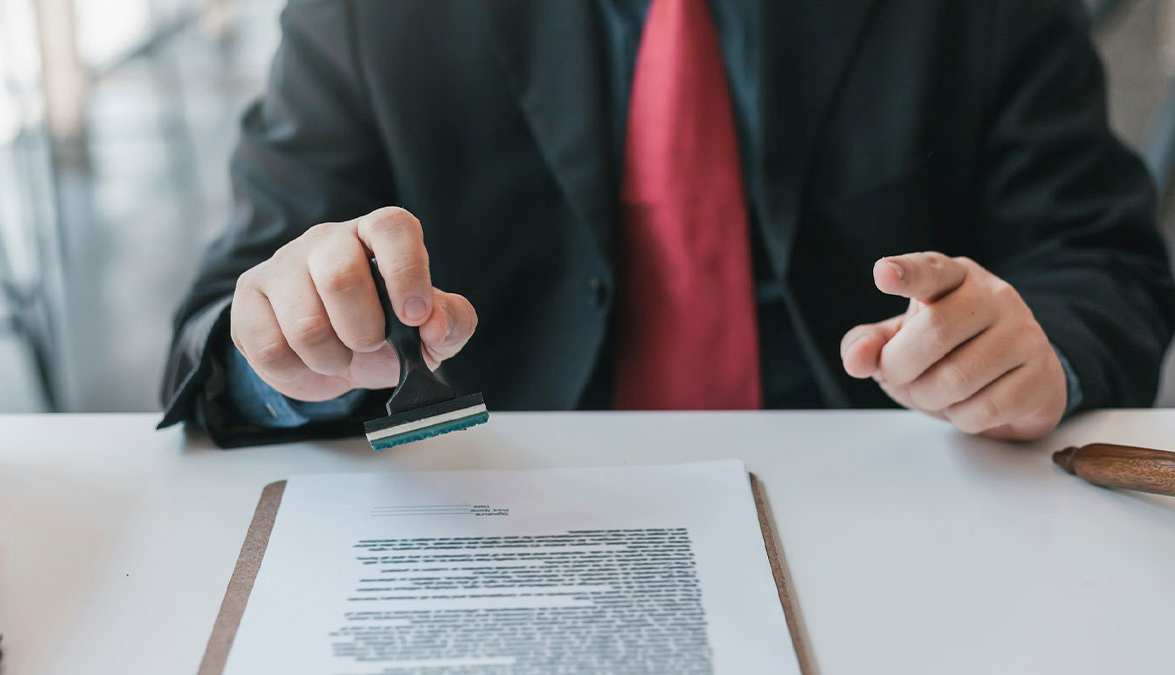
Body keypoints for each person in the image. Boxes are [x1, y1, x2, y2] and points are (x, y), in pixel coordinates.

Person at [160, 0, 1175, 448]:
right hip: (491, 514)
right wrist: (281, 349)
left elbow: (1100, 257)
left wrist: (1040, 352)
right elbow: (224, 317)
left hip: (890, 499)